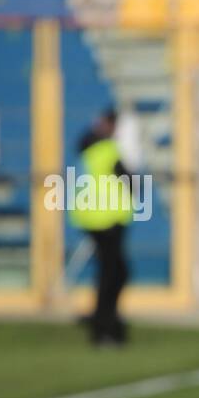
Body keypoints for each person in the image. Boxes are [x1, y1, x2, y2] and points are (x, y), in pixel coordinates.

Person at [73, 110, 133, 347]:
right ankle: (105, 326)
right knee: (113, 274)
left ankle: (106, 323)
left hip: (95, 218)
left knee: (111, 273)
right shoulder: (108, 150)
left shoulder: (89, 149)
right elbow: (127, 179)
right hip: (107, 219)